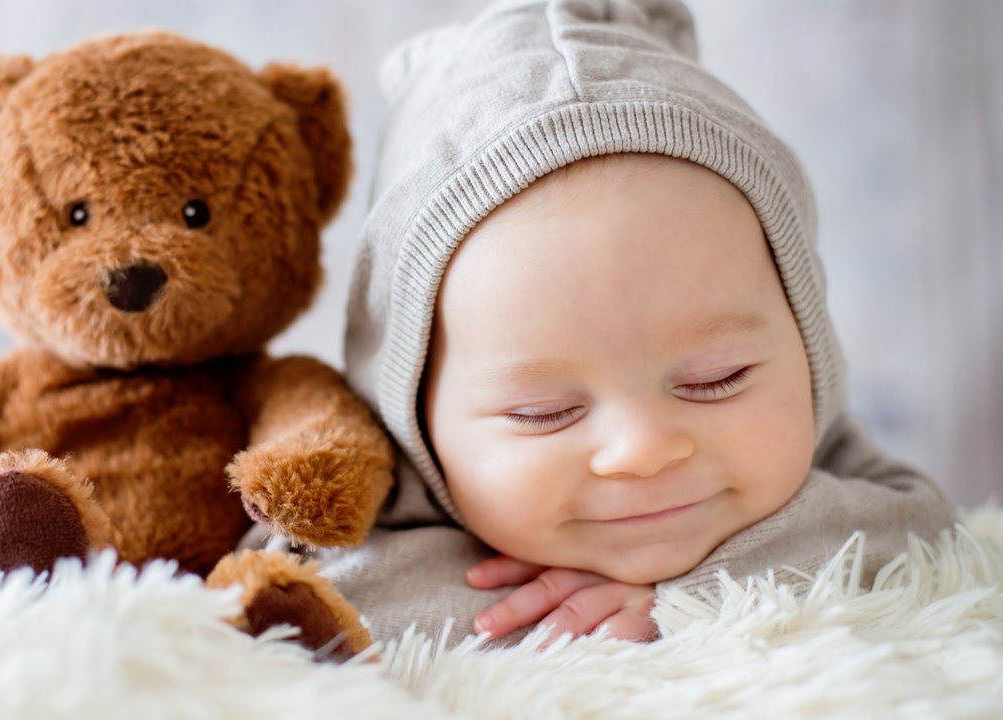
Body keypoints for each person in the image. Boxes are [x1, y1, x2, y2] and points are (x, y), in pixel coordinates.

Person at [302, 0, 958, 645]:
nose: (643, 451)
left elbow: (921, 528)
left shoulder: (837, 465)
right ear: (414, 411)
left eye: (716, 378)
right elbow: (318, 602)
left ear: (806, 342)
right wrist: (534, 607)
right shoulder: (358, 505)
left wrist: (697, 597)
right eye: (544, 410)